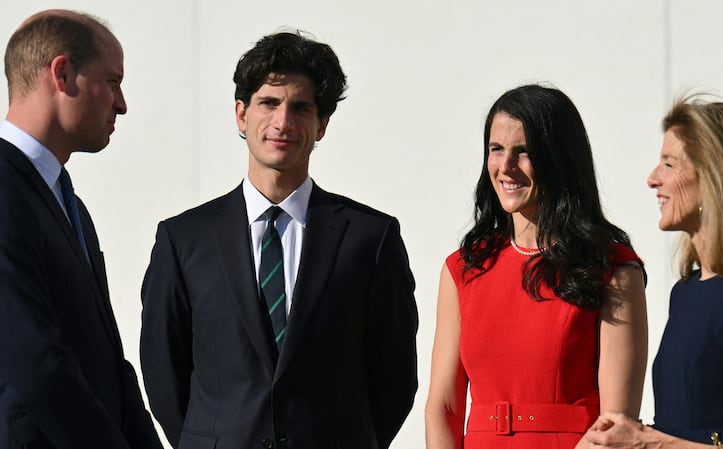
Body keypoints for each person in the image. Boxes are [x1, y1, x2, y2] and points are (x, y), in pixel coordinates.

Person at [140, 30, 418, 449]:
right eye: (268, 103)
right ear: (241, 114)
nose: (283, 122)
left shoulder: (370, 238)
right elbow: (163, 371)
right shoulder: (183, 240)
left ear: (321, 124)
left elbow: (394, 376)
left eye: (300, 108)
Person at [425, 84, 648, 449]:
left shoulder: (614, 270)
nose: (506, 167)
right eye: (496, 150)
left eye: (524, 152)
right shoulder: (462, 270)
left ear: (559, 158)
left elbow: (616, 425)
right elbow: (444, 406)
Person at [586, 96, 723, 449]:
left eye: (669, 164)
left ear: (715, 177)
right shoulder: (685, 292)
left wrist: (648, 442)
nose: (653, 179)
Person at [0, 9, 163, 449]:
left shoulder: (70, 205)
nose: (122, 103)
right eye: (112, 82)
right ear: (63, 73)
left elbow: (109, 360)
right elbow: (35, 362)